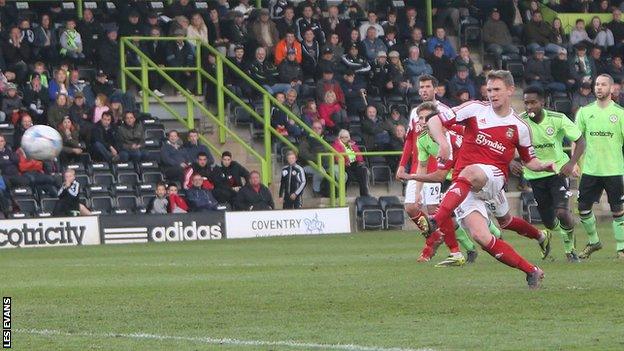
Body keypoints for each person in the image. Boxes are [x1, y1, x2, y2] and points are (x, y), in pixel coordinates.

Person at [416, 70, 556, 289]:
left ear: (510, 90)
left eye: (497, 89)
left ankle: (435, 220)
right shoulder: (474, 109)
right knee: (483, 236)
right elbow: (435, 119)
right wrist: (443, 142)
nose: (492, 94)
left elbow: (530, 161)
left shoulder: (520, 126)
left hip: (492, 178)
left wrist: (547, 165)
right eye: (489, 90)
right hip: (466, 187)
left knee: (471, 173)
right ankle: (531, 271)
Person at [514, 86, 586, 262]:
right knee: (548, 222)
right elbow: (508, 143)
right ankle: (558, 232)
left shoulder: (557, 119)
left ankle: (570, 250)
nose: (529, 107)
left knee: (562, 212)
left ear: (543, 102)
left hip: (558, 171)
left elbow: (580, 140)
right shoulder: (519, 122)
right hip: (534, 174)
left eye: (533, 102)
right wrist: (511, 161)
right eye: (526, 103)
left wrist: (571, 163)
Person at [574, 74, 624, 259]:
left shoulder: (620, 113)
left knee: (618, 209)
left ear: (611, 89)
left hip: (614, 169)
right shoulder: (584, 112)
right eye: (596, 84)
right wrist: (574, 163)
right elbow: (577, 139)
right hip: (590, 169)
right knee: (583, 208)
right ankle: (594, 241)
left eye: (603, 84)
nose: (599, 87)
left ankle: (621, 249)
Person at [332, 129, 369, 196]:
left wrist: (360, 161)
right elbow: (337, 157)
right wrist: (346, 162)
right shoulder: (336, 145)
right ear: (339, 137)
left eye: (346, 137)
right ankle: (342, 194)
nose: (344, 139)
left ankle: (364, 194)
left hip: (355, 163)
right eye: (342, 137)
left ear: (349, 137)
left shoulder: (352, 144)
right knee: (347, 174)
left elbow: (358, 154)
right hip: (344, 164)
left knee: (363, 171)